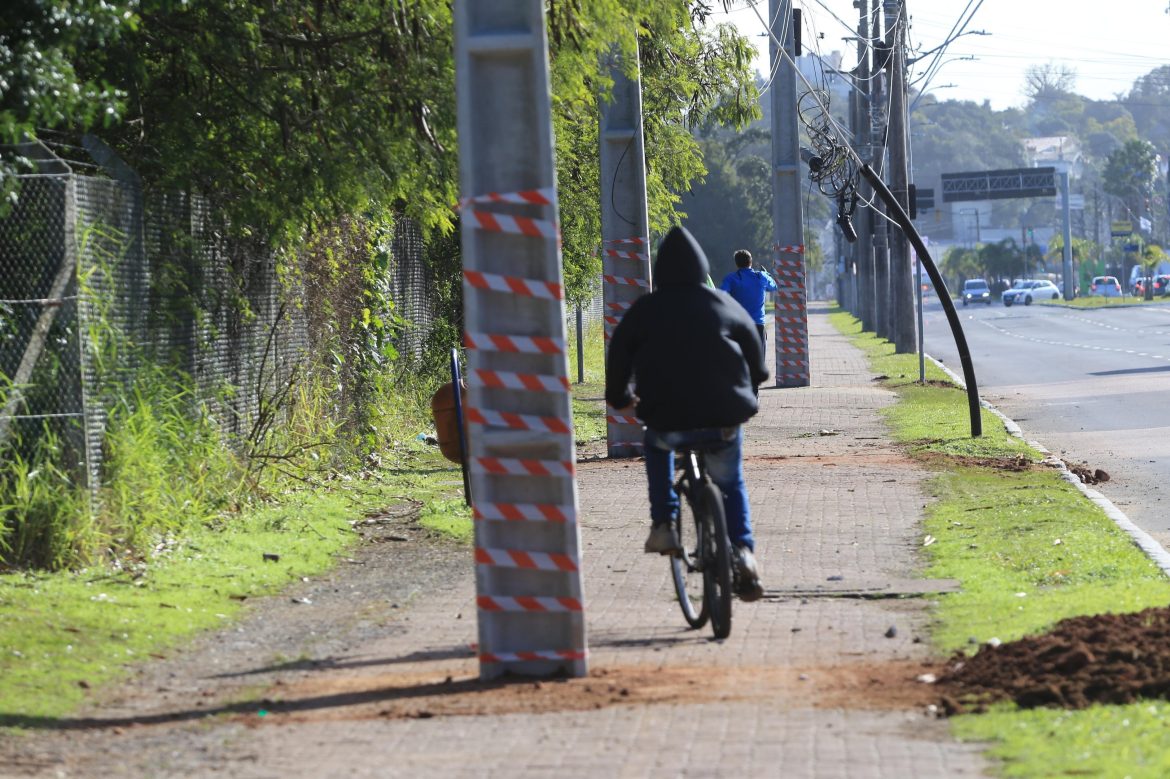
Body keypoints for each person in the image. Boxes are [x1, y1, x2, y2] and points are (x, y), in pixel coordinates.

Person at [605, 226, 769, 601]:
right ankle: (744, 552)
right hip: (724, 415)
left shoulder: (644, 310)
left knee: (657, 443)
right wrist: (751, 382)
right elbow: (757, 363)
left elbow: (619, 359)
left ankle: (664, 522)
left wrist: (621, 398)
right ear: (701, 267)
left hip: (667, 416)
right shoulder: (723, 305)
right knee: (730, 483)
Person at [719, 249, 777, 347]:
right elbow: (773, 286)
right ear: (751, 261)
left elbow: (722, 294)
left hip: (738, 325)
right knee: (758, 356)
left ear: (736, 263)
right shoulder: (761, 276)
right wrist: (767, 274)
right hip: (758, 326)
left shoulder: (731, 278)